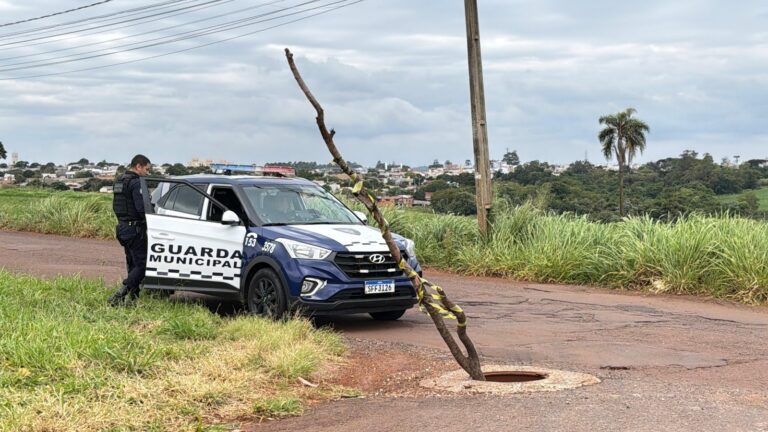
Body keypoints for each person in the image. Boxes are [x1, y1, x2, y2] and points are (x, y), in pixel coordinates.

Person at [108, 154, 151, 306]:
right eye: (147, 169)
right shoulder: (136, 183)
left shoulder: (120, 182)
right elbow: (141, 208)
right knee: (142, 264)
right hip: (135, 229)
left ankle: (133, 297)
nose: (147, 173)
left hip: (122, 227)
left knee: (132, 263)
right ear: (138, 166)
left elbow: (117, 206)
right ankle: (120, 294)